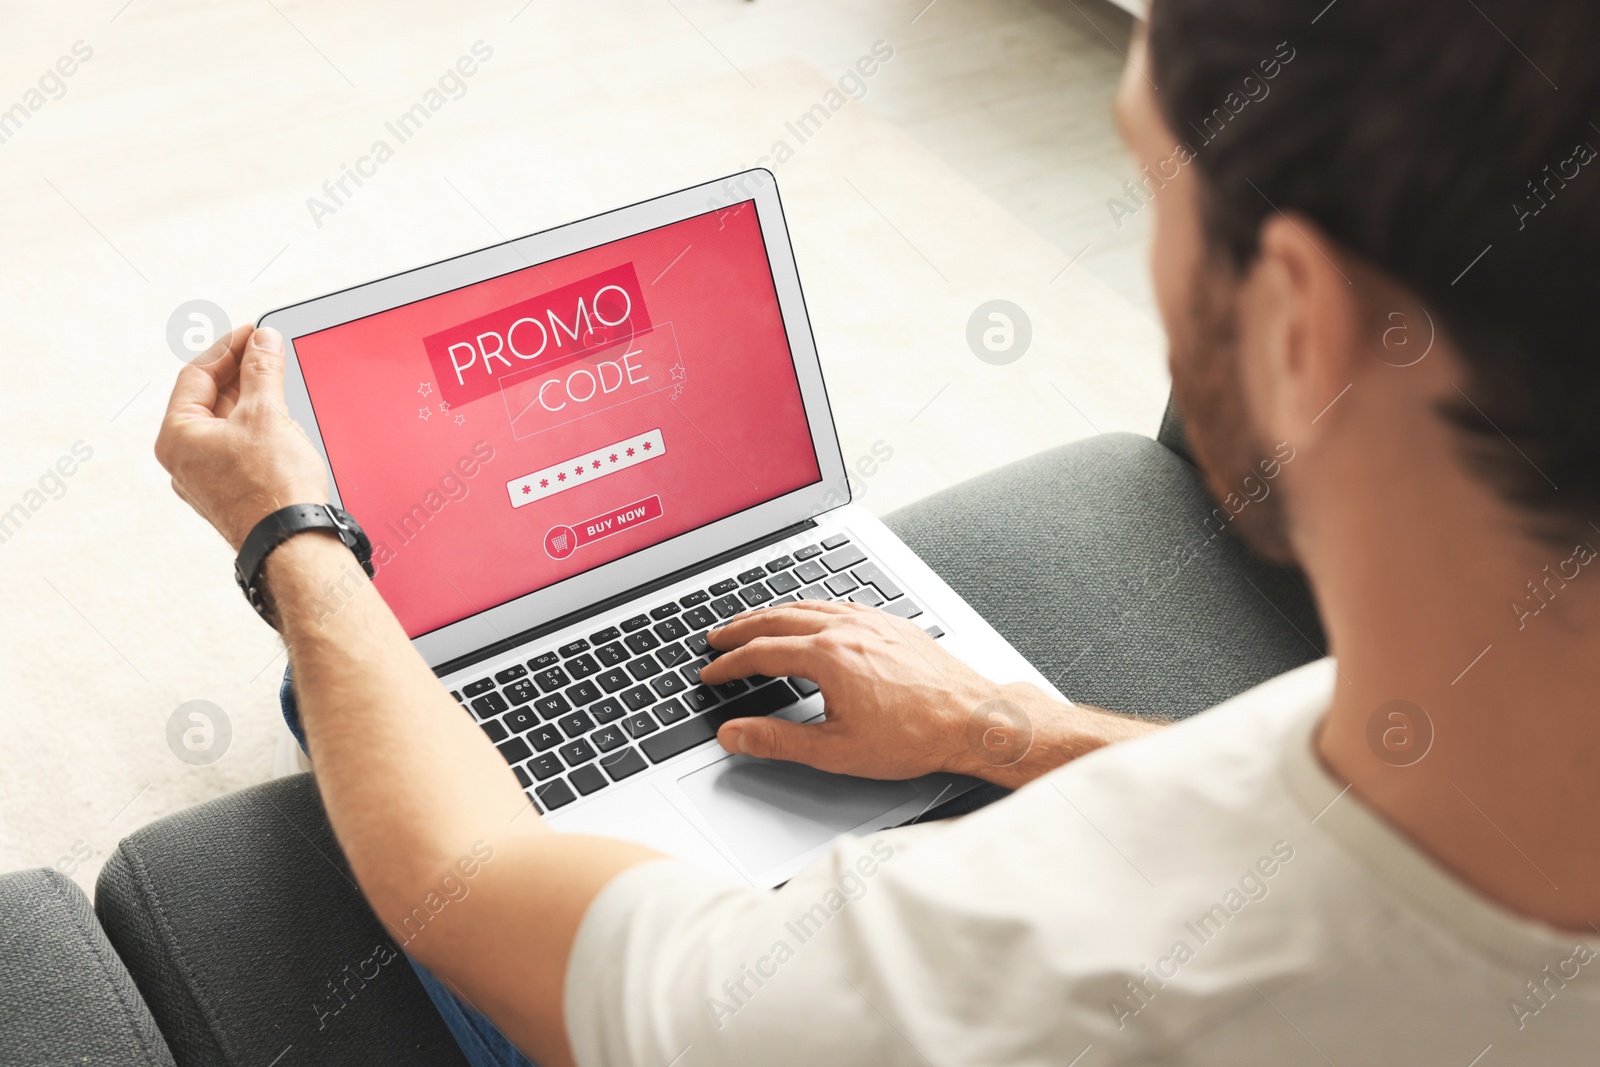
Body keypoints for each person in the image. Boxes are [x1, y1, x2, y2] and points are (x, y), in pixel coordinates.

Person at [154, 1, 1600, 1063]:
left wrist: (288, 532)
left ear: (1302, 329)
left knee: (351, 659)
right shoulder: (1467, 704)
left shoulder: (1025, 985)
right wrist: (1006, 733)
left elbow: (492, 911)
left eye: (1147, 178)